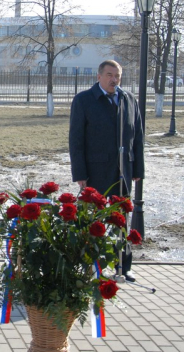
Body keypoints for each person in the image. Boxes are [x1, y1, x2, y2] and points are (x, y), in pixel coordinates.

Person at [69, 59, 144, 282]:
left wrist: (137, 167)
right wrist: (80, 173)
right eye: (110, 75)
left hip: (123, 170)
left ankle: (123, 266)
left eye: (118, 76)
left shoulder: (128, 100)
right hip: (96, 171)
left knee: (122, 219)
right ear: (99, 76)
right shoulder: (84, 100)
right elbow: (76, 139)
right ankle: (91, 267)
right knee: (94, 220)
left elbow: (137, 136)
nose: (114, 80)